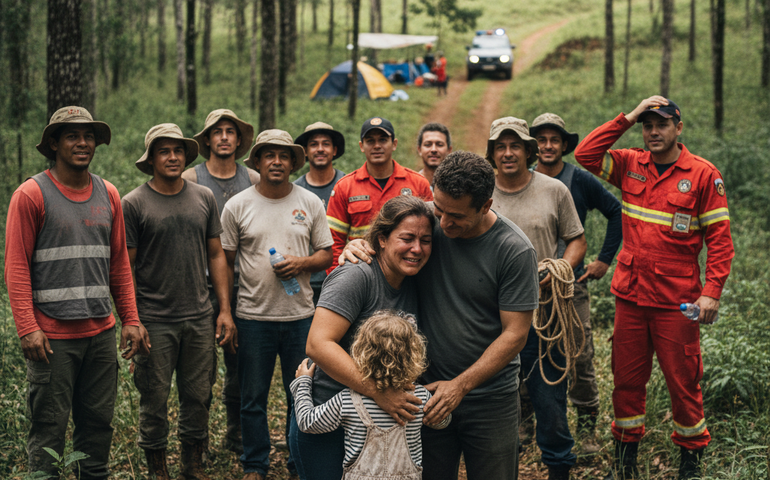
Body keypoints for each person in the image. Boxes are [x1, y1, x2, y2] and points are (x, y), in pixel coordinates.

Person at [340, 151, 540, 480]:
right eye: (439, 208)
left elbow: (515, 334)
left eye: (457, 216)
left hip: (490, 398)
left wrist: (459, 386)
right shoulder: (427, 228)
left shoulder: (514, 250)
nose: (444, 224)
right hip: (424, 392)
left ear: (486, 206)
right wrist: (358, 246)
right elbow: (390, 241)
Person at [574, 96, 734, 480]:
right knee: (626, 382)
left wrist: (711, 291)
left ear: (678, 128)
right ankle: (625, 463)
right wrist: (627, 116)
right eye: (647, 125)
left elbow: (721, 241)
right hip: (631, 297)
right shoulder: (630, 163)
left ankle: (690, 463)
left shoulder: (701, 175)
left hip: (677, 303)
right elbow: (586, 153)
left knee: (684, 382)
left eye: (661, 125)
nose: (653, 132)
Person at [5, 106, 150, 480]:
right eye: (72, 136)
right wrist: (27, 326)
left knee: (98, 426)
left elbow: (118, 265)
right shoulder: (31, 195)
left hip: (100, 336)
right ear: (54, 144)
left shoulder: (109, 194)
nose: (83, 143)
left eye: (88, 136)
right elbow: (17, 267)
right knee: (48, 430)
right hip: (52, 339)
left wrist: (130, 320)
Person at [123, 123, 236, 480]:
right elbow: (124, 266)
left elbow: (216, 255)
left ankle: (193, 464)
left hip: (200, 316)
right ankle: (158, 468)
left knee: (198, 394)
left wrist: (224, 311)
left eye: (177, 151)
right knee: (154, 399)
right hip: (154, 319)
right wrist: (131, 320)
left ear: (186, 156)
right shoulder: (134, 203)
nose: (172, 157)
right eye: (163, 151)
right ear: (151, 159)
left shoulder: (203, 197)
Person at [294, 195, 434, 480]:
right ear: (381, 239)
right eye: (406, 238)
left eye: (426, 240)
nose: (417, 248)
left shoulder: (414, 278)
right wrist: (379, 392)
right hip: (330, 421)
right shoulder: (356, 276)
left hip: (382, 427)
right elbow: (318, 344)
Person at [220, 129, 333, 480]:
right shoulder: (238, 205)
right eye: (269, 155)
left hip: (301, 316)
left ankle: (298, 462)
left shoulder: (309, 202)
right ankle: (255, 464)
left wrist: (300, 264)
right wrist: (226, 311)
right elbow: (223, 261)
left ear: (292, 162)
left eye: (284, 156)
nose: (276, 162)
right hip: (253, 316)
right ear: (256, 161)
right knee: (251, 396)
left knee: (300, 391)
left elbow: (326, 254)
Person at [487, 116, 586, 480]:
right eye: (501, 146)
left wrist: (559, 267)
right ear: (492, 153)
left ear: (529, 151)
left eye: (516, 146)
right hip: (493, 322)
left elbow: (576, 239)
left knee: (550, 403)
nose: (508, 153)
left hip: (545, 320)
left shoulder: (553, 190)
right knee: (499, 405)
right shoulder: (483, 193)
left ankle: (559, 467)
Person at [531, 112, 622, 454]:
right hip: (528, 286)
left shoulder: (580, 180)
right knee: (526, 350)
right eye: (541, 140)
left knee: (579, 352)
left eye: (555, 140)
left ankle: (586, 427)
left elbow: (616, 211)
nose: (548, 146)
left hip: (571, 285)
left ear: (565, 145)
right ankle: (528, 422)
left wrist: (603, 260)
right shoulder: (521, 179)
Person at [184, 108, 258, 455]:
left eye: (231, 131)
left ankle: (237, 434)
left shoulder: (253, 180)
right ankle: (198, 440)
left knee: (238, 365)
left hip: (244, 286)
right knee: (199, 370)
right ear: (208, 140)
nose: (225, 137)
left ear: (239, 140)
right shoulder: (191, 179)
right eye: (218, 132)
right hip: (200, 287)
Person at [292, 312, 437, 479]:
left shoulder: (348, 400)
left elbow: (307, 422)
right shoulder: (420, 398)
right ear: (415, 354)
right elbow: (439, 422)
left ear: (360, 352)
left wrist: (303, 383)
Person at [326, 117, 432, 272]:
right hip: (361, 274)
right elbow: (333, 243)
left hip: (408, 274)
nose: (376, 146)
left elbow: (431, 235)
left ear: (394, 144)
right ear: (362, 146)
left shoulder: (418, 183)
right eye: (370, 141)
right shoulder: (345, 187)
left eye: (383, 140)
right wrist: (339, 280)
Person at [293, 122, 347, 304]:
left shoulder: (347, 185)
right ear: (305, 152)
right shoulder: (295, 190)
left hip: (342, 278)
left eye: (326, 144)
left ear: (334, 150)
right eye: (314, 144)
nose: (320, 149)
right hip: (305, 281)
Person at [415, 122, 453, 187]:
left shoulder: (457, 185)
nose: (433, 150)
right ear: (419, 149)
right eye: (428, 145)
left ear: (449, 150)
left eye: (439, 145)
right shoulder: (412, 184)